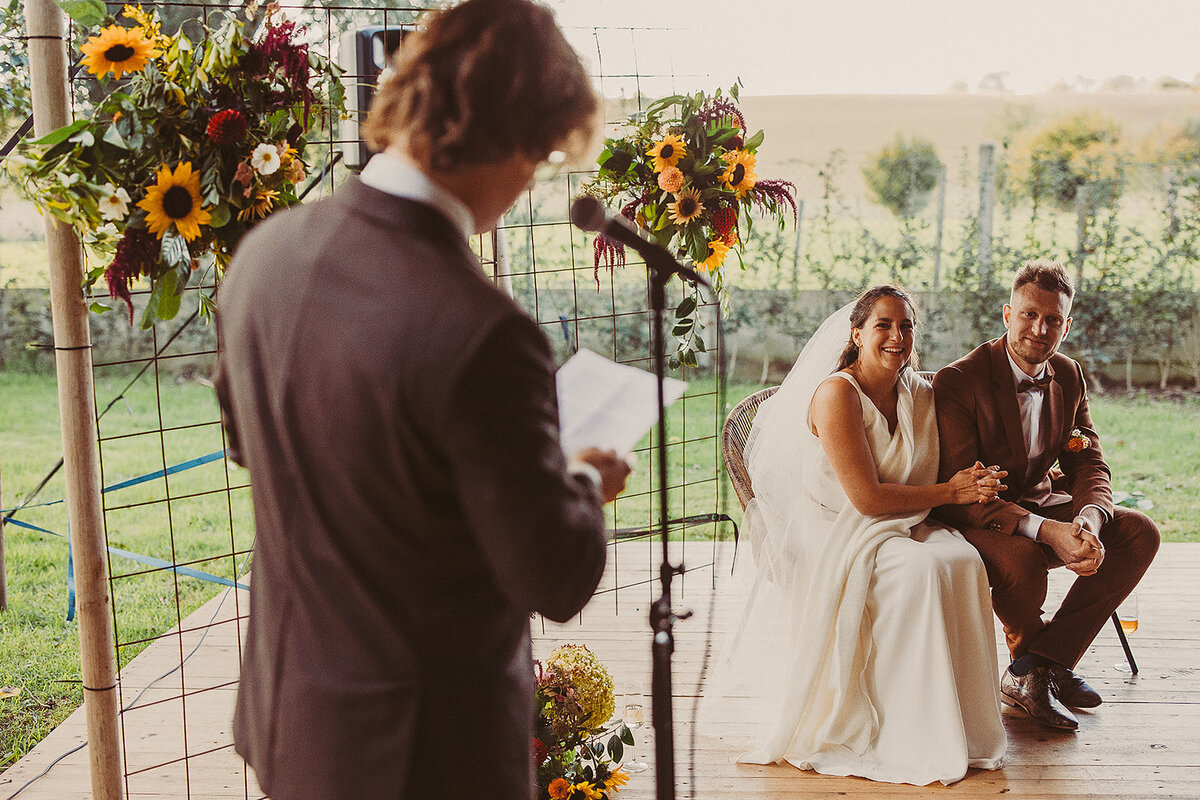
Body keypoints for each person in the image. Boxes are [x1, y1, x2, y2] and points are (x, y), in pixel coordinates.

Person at [213, 1, 631, 798]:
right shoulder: (484, 332)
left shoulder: (266, 255)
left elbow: (259, 446)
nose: (530, 179)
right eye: (542, 153)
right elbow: (552, 574)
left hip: (292, 721)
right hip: (424, 756)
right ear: (507, 134)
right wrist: (578, 482)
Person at [704, 286, 1007, 786]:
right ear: (857, 334)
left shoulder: (919, 393)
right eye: (884, 325)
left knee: (963, 559)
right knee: (922, 568)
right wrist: (951, 494)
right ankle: (905, 734)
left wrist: (980, 481)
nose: (896, 336)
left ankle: (965, 730)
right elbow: (865, 498)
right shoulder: (837, 394)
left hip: (905, 520)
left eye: (906, 326)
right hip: (836, 529)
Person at [933, 259, 1160, 731]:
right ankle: (1037, 671)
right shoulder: (959, 380)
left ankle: (1040, 666)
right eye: (1029, 315)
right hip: (973, 513)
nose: (1040, 329)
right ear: (1006, 314)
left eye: (1053, 319)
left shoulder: (1069, 374)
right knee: (1022, 559)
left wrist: (1090, 521)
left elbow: (1087, 460)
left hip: (1041, 499)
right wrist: (1048, 531)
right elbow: (967, 487)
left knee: (1138, 532)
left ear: (1067, 324)